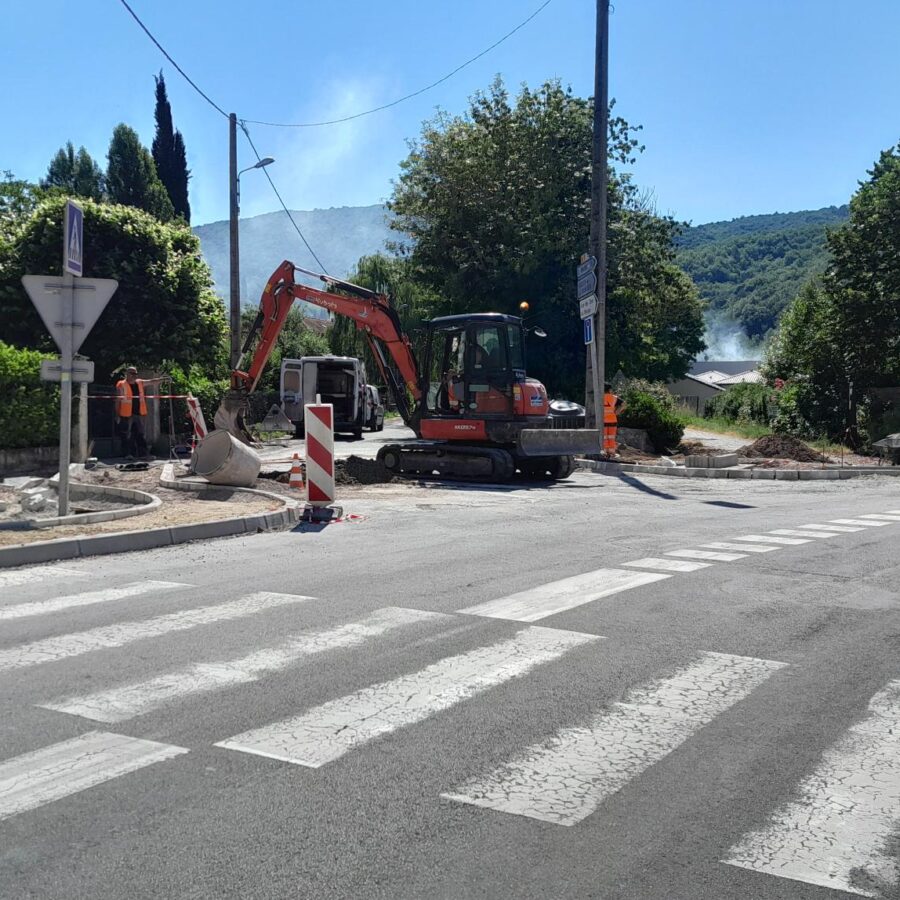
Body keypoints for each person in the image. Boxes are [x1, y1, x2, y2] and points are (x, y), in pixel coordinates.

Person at [115, 367, 161, 459]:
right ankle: (128, 454)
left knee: (140, 433)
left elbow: (151, 381)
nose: (134, 376)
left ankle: (143, 454)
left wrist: (162, 379)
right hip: (125, 414)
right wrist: (117, 414)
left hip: (137, 414)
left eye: (135, 374)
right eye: (132, 373)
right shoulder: (121, 384)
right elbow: (118, 400)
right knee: (127, 435)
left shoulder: (139, 383)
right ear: (127, 374)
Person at [603, 383, 625, 456]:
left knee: (604, 437)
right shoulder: (614, 397)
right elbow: (624, 404)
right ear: (609, 390)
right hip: (612, 420)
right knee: (611, 437)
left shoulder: (599, 397)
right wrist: (617, 411)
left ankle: (605, 452)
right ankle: (612, 452)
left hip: (602, 421)